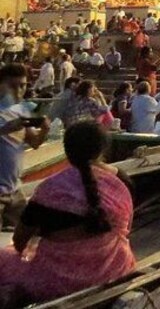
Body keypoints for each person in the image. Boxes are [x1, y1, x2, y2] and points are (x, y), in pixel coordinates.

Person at [0, 121, 135, 304]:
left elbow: (19, 241)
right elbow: (126, 229)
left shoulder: (50, 189)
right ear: (102, 149)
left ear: (67, 151)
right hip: (114, 271)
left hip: (55, 282)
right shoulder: (121, 181)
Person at [0, 64, 50, 231]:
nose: (19, 91)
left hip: (15, 189)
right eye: (13, 86)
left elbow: (34, 143)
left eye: (22, 85)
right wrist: (5, 129)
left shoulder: (21, 111)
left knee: (24, 237)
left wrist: (44, 129)